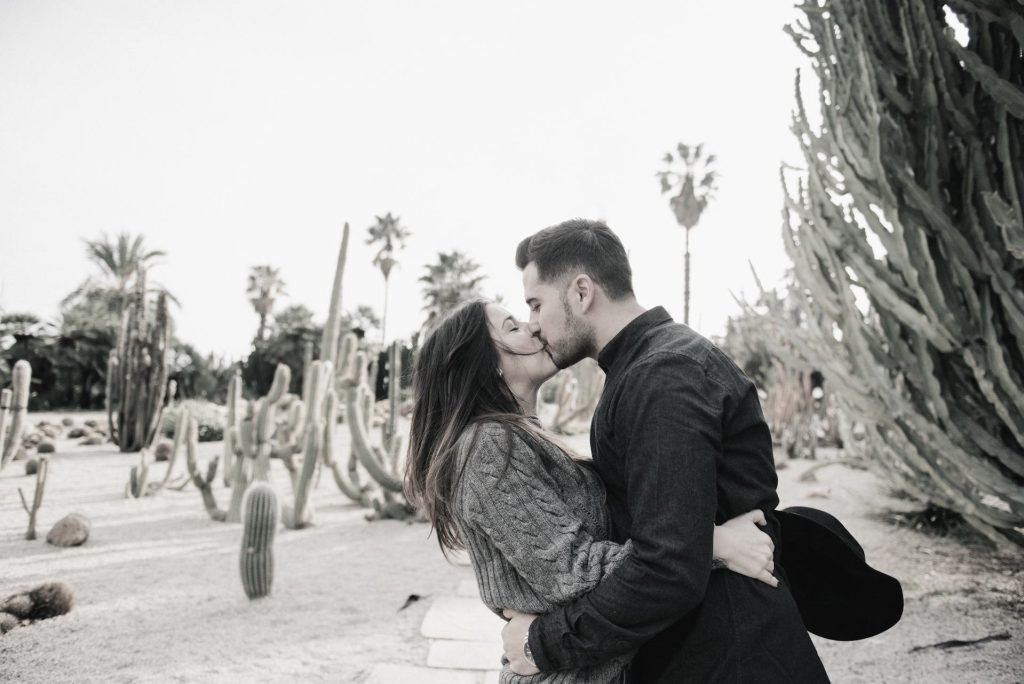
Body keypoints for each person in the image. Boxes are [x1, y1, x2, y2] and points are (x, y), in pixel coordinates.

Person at [500, 218, 830, 683]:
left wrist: (544, 642)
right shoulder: (646, 367)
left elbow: (669, 567)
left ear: (581, 292)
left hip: (730, 656)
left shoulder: (663, 375)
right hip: (706, 645)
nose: (533, 325)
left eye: (536, 304)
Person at [405, 299, 780, 684]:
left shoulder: (520, 439)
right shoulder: (489, 446)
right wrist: (711, 544)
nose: (533, 326)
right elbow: (570, 573)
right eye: (512, 327)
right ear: (488, 365)